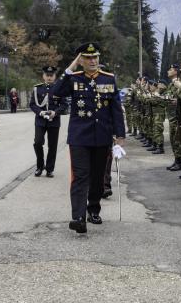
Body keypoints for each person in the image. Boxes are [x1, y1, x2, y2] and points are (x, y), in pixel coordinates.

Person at [52, 42, 126, 234]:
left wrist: (120, 136)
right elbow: (56, 92)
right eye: (87, 58)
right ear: (81, 60)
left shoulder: (108, 79)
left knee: (97, 177)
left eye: (95, 57)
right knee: (80, 177)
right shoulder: (73, 78)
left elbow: (116, 110)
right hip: (79, 137)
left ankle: (93, 208)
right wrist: (70, 68)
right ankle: (78, 217)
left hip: (102, 136)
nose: (92, 61)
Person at [30, 66, 66, 178]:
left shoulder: (59, 89)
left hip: (54, 121)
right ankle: (40, 166)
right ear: (43, 76)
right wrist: (40, 112)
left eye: (52, 75)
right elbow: (32, 104)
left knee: (52, 146)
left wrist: (55, 112)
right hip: (40, 120)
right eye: (47, 75)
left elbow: (64, 104)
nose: (49, 77)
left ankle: (49, 169)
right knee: (38, 142)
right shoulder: (37, 89)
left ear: (55, 76)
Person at [165, 64, 181, 171]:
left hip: (177, 115)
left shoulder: (179, 82)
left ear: (176, 72)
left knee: (177, 140)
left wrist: (177, 101)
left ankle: (179, 162)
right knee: (173, 139)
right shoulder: (171, 84)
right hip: (172, 115)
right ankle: (177, 161)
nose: (168, 71)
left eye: (171, 69)